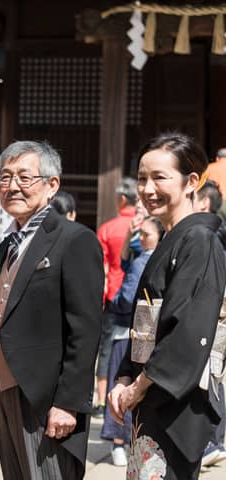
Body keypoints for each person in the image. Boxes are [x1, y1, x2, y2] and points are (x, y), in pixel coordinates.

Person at [0, 140, 104, 479]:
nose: (13, 186)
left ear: (52, 185)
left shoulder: (74, 239)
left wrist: (68, 403)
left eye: (24, 177)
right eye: (5, 177)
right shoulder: (10, 243)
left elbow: (86, 328)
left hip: (46, 397)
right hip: (2, 387)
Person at [108, 132, 226, 479]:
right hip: (152, 397)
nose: (147, 188)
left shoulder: (200, 241)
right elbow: (145, 323)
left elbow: (188, 332)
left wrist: (136, 386)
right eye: (142, 178)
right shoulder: (172, 239)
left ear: (191, 182)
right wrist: (126, 375)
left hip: (174, 401)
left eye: (159, 177)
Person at [100, 216, 164, 466]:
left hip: (126, 330)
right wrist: (129, 234)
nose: (140, 239)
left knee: (121, 387)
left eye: (145, 234)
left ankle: (117, 443)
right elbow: (124, 259)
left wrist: (113, 302)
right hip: (143, 333)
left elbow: (127, 299)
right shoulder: (152, 258)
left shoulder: (144, 262)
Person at [95, 177, 138, 417]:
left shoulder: (108, 228)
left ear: (121, 199)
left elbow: (102, 266)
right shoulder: (144, 226)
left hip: (113, 294)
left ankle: (102, 399)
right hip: (139, 296)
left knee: (106, 348)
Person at [193, 180, 226, 468]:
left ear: (203, 203)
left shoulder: (208, 238)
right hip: (215, 320)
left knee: (211, 381)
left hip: (215, 321)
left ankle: (211, 442)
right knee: (213, 380)